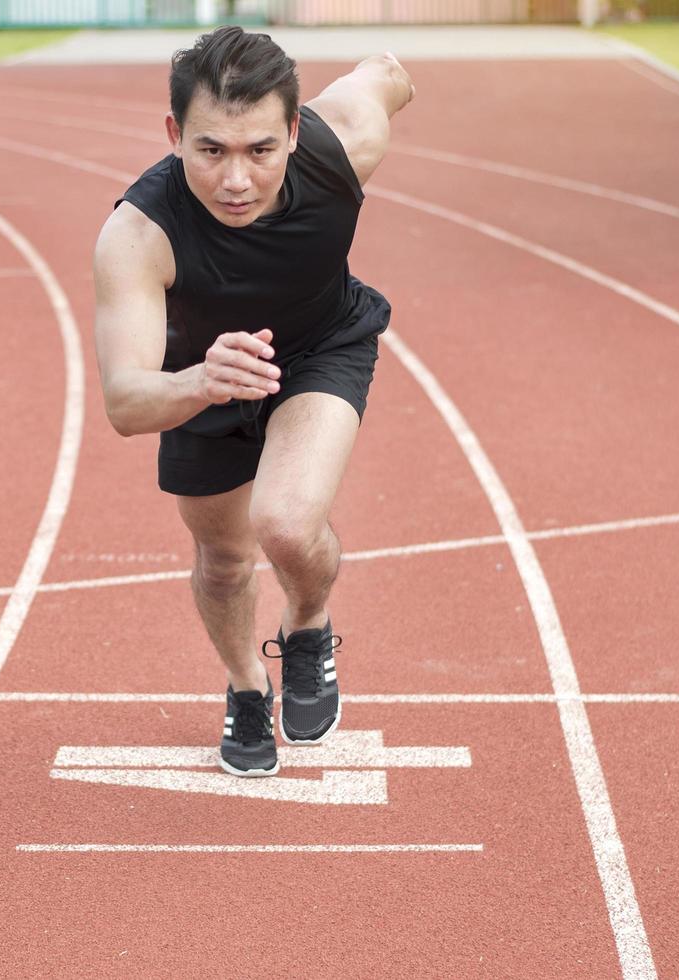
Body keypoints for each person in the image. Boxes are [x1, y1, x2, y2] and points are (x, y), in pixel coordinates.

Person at [92, 26, 414, 777]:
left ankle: (308, 624)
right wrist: (201, 380)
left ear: (296, 132)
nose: (236, 179)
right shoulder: (138, 236)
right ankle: (245, 687)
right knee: (224, 561)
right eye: (211, 150)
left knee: (287, 524)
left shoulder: (343, 147)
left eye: (261, 151)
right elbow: (124, 403)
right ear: (174, 135)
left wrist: (386, 70)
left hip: (318, 350)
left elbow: (386, 74)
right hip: (197, 381)